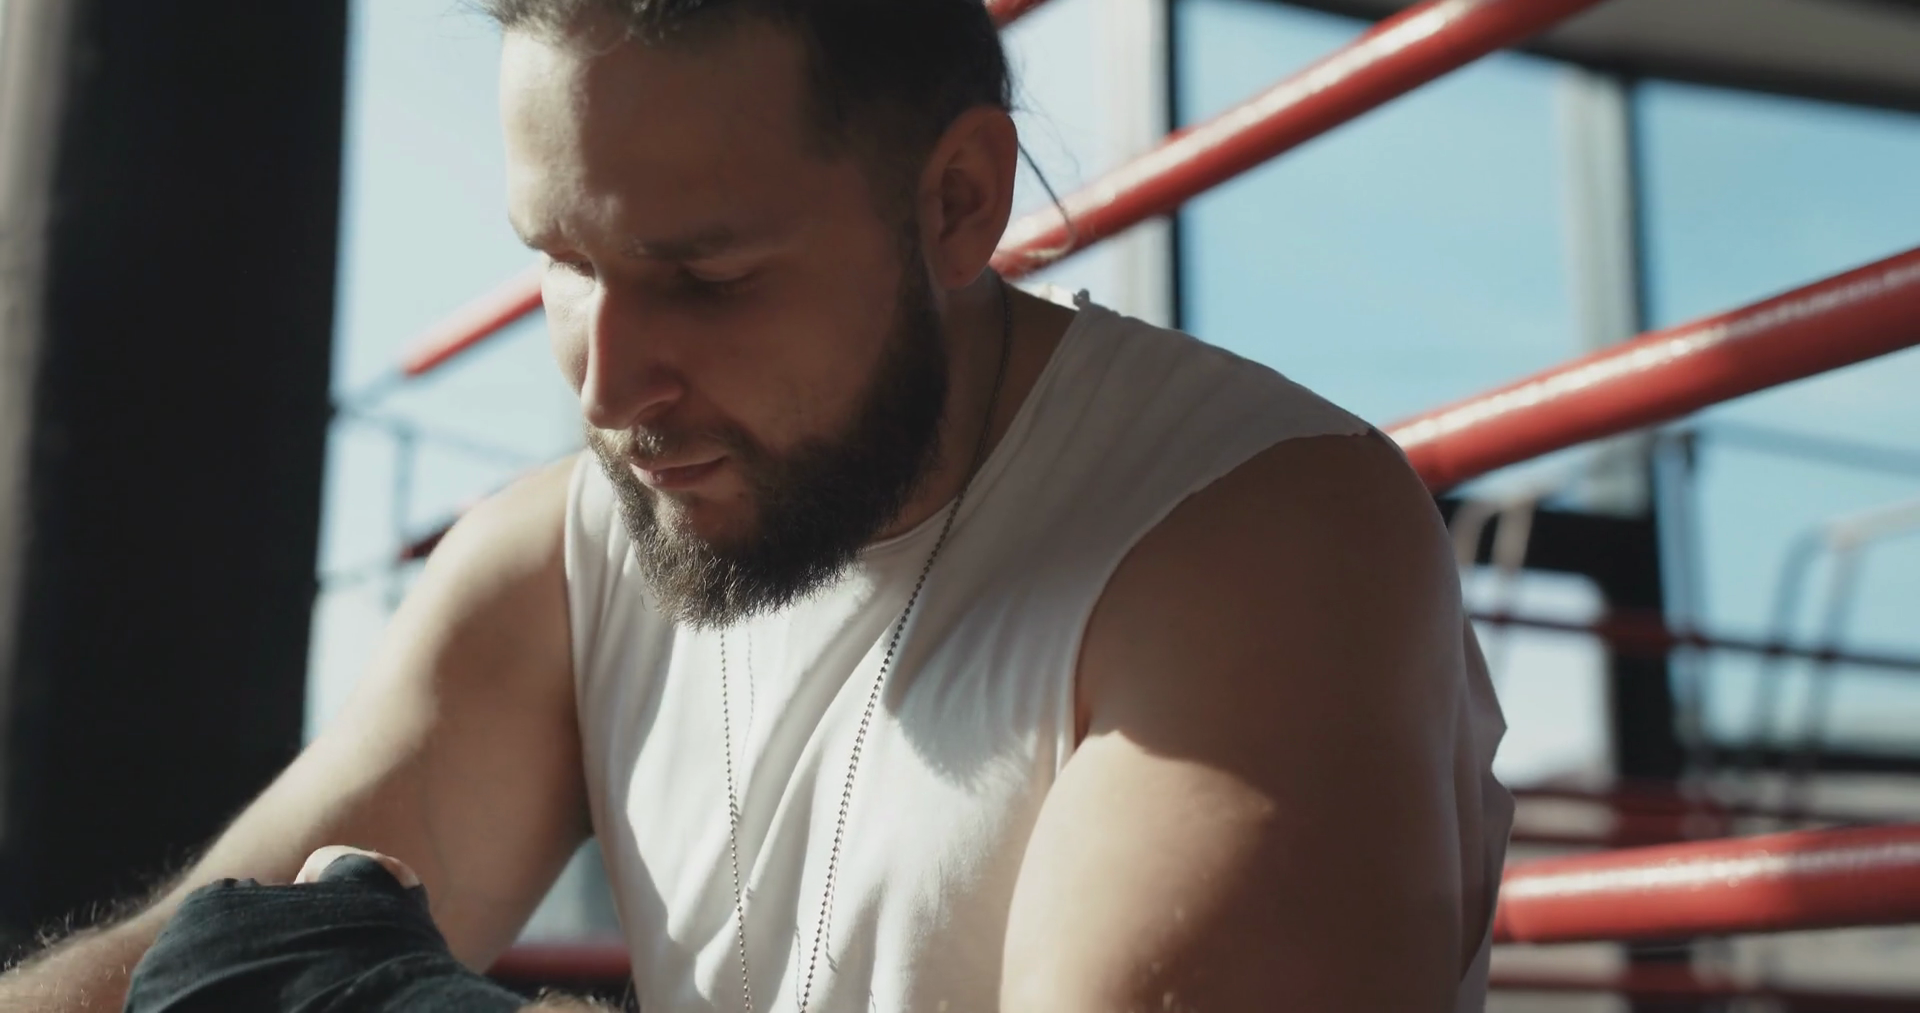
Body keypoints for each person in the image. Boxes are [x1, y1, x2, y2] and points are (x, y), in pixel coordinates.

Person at [0, 0, 1511, 1010]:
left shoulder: (1255, 546)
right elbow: (182, 961)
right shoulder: (560, 560)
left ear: (956, 204)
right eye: (566, 263)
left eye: (703, 279)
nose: (608, 382)